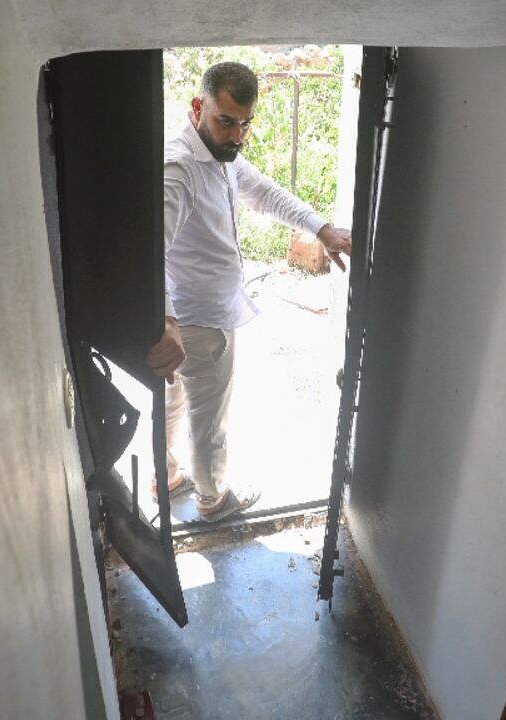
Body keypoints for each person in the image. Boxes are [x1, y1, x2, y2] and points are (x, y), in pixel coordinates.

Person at [145, 61, 352, 522]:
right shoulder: (179, 169)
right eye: (226, 121)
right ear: (199, 107)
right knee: (208, 422)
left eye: (244, 124)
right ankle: (213, 500)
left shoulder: (218, 155)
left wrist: (321, 228)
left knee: (173, 404)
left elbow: (265, 193)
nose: (237, 135)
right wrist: (165, 321)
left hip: (194, 317)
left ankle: (167, 476)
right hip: (199, 322)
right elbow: (147, 248)